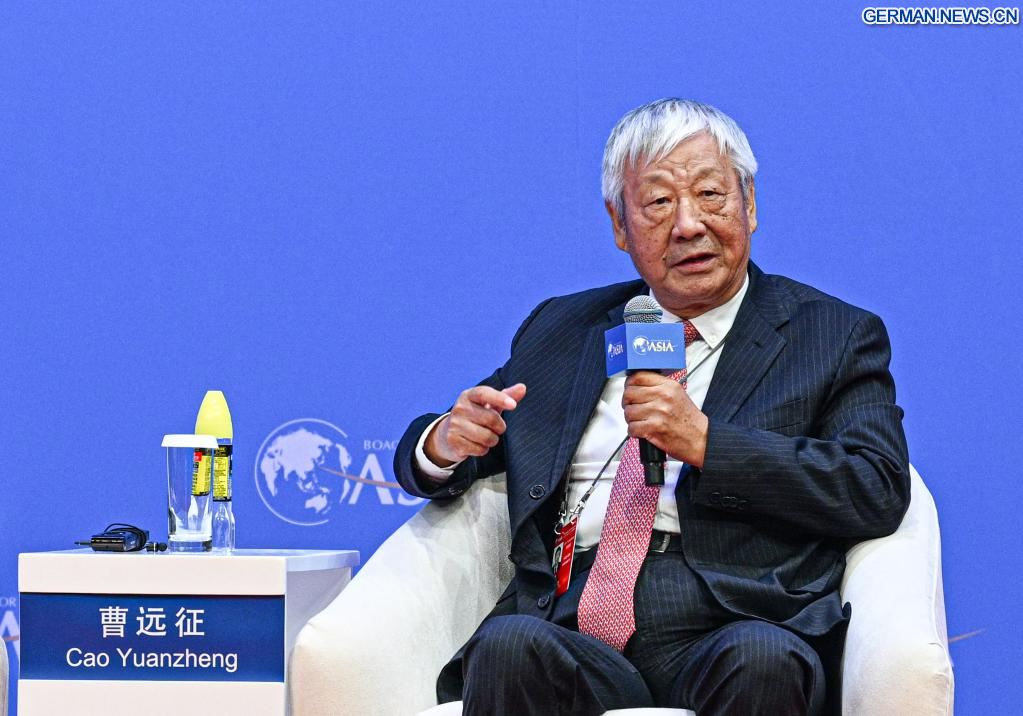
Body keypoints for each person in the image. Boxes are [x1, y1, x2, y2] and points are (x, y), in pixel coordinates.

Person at [394, 98, 910, 716]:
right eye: (659, 202)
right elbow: (451, 444)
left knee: (763, 658)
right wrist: (444, 443)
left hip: (736, 620)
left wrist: (706, 443)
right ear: (620, 225)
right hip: (571, 619)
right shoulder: (565, 328)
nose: (688, 224)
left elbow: (875, 486)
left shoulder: (831, 334)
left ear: (749, 203)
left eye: (710, 194)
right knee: (506, 645)